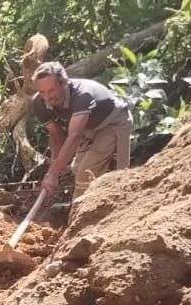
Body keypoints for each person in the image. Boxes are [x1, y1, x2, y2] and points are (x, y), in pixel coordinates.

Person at [31, 61, 134, 202]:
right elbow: (57, 137)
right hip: (88, 128)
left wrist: (53, 174)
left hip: (113, 123)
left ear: (63, 83)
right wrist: (53, 169)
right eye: (42, 92)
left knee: (87, 173)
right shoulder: (39, 102)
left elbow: (74, 136)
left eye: (51, 90)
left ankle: (79, 216)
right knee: (76, 168)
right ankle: (94, 202)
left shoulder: (82, 95)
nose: (47, 97)